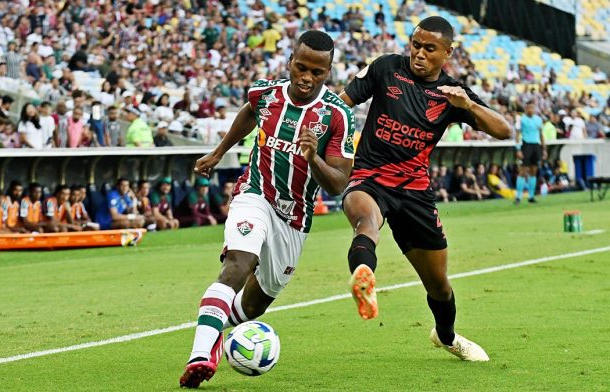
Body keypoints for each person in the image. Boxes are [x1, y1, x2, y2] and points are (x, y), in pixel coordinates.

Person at [180, 30, 355, 388]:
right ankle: (201, 354)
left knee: (255, 305)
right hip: (255, 194)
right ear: (290, 60)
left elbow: (338, 183)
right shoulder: (265, 93)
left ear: (329, 71)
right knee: (238, 265)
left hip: (295, 217)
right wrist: (219, 151)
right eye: (301, 67)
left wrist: (314, 158)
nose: (306, 78)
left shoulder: (337, 116)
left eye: (317, 73)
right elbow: (249, 112)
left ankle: (219, 333)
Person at [337, 17, 511, 361]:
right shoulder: (386, 68)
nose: (418, 53)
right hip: (370, 177)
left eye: (429, 48)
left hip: (415, 192)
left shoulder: (451, 94)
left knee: (439, 285)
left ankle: (447, 337)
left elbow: (503, 130)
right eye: (415, 44)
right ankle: (363, 276)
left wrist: (469, 106)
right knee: (366, 222)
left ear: (447, 52)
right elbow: (340, 105)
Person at [515, 102, 546, 204]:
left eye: (532, 108)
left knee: (533, 171)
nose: (531, 110)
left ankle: (531, 196)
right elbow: (517, 135)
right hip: (526, 145)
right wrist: (518, 149)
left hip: (536, 146)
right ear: (526, 109)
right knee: (523, 171)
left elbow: (541, 135)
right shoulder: (521, 119)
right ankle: (518, 196)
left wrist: (544, 149)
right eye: (529, 108)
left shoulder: (538, 119)